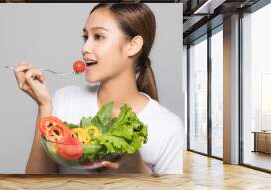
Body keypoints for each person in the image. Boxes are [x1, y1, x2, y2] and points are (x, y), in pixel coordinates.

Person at [13, 3, 184, 175]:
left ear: (133, 45)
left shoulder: (168, 127)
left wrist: (137, 169)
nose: (85, 48)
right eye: (85, 37)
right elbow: (37, 185)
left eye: (98, 36)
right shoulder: (65, 100)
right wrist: (44, 106)